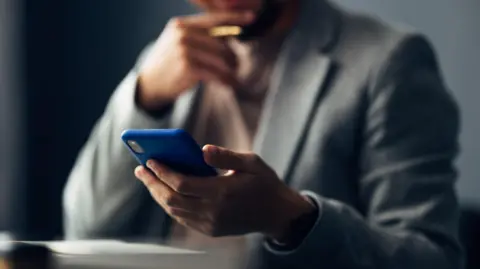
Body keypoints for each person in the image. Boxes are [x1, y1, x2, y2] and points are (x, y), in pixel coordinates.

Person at [62, 0, 463, 268]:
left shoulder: (388, 61)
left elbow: (432, 258)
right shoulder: (166, 56)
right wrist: (144, 94)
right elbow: (84, 226)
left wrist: (290, 218)